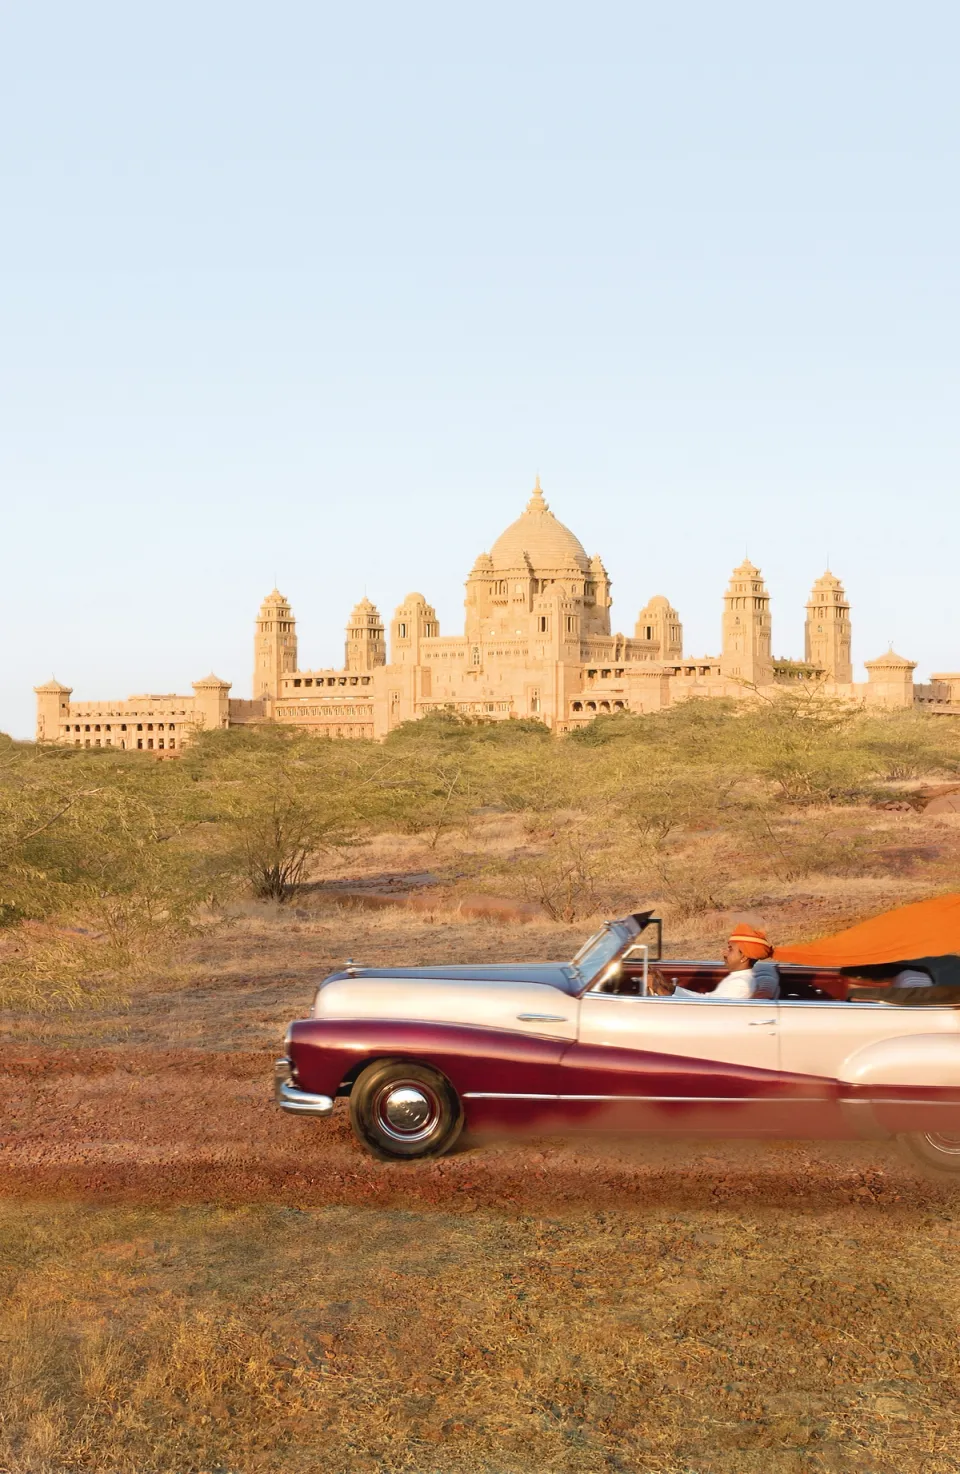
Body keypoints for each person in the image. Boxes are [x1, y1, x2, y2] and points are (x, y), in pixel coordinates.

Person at [649, 923, 774, 998]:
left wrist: (660, 990)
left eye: (730, 949)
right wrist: (669, 988)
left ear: (744, 957)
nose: (723, 952)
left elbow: (706, 1009)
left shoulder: (742, 984)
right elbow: (707, 999)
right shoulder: (739, 978)